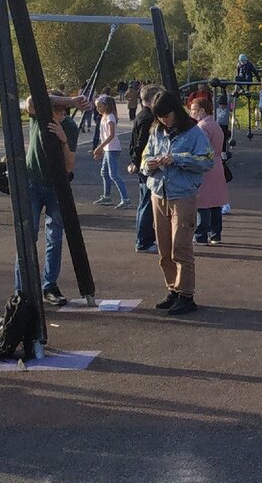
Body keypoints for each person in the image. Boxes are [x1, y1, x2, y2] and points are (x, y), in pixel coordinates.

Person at [141, 91, 214, 315]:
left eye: (167, 115)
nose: (164, 120)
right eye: (159, 116)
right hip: (159, 193)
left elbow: (207, 161)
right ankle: (173, 289)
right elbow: (145, 156)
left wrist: (178, 158)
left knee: (180, 247)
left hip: (183, 195)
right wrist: (148, 164)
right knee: (164, 249)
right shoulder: (156, 130)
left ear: (176, 111)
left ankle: (186, 294)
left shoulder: (194, 132)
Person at [15, 90, 86, 308]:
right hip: (33, 182)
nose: (57, 115)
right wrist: (71, 100)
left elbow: (69, 166)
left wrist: (63, 141)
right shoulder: (38, 117)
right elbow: (31, 100)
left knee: (55, 237)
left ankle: (49, 286)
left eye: (60, 111)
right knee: (27, 236)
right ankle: (22, 290)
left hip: (56, 186)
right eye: (55, 109)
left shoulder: (70, 127)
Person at [128, 83, 164, 253]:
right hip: (146, 165)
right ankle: (143, 241)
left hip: (143, 163)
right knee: (147, 203)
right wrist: (136, 162)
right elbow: (141, 142)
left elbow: (134, 142)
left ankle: (143, 239)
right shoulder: (149, 118)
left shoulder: (142, 115)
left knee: (145, 202)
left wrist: (134, 160)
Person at [188, 97, 227, 245]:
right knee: (216, 202)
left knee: (202, 202)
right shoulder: (215, 124)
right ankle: (215, 235)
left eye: (193, 110)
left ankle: (201, 235)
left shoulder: (201, 127)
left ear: (202, 111)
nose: (191, 113)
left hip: (205, 165)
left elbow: (200, 147)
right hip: (217, 164)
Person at [92, 93, 130, 207]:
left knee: (114, 174)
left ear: (106, 106)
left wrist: (99, 147)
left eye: (100, 106)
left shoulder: (110, 117)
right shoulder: (103, 117)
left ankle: (125, 199)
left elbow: (111, 135)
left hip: (112, 149)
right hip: (108, 148)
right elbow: (103, 136)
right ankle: (106, 196)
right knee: (104, 173)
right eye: (97, 106)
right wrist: (101, 149)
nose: (98, 109)